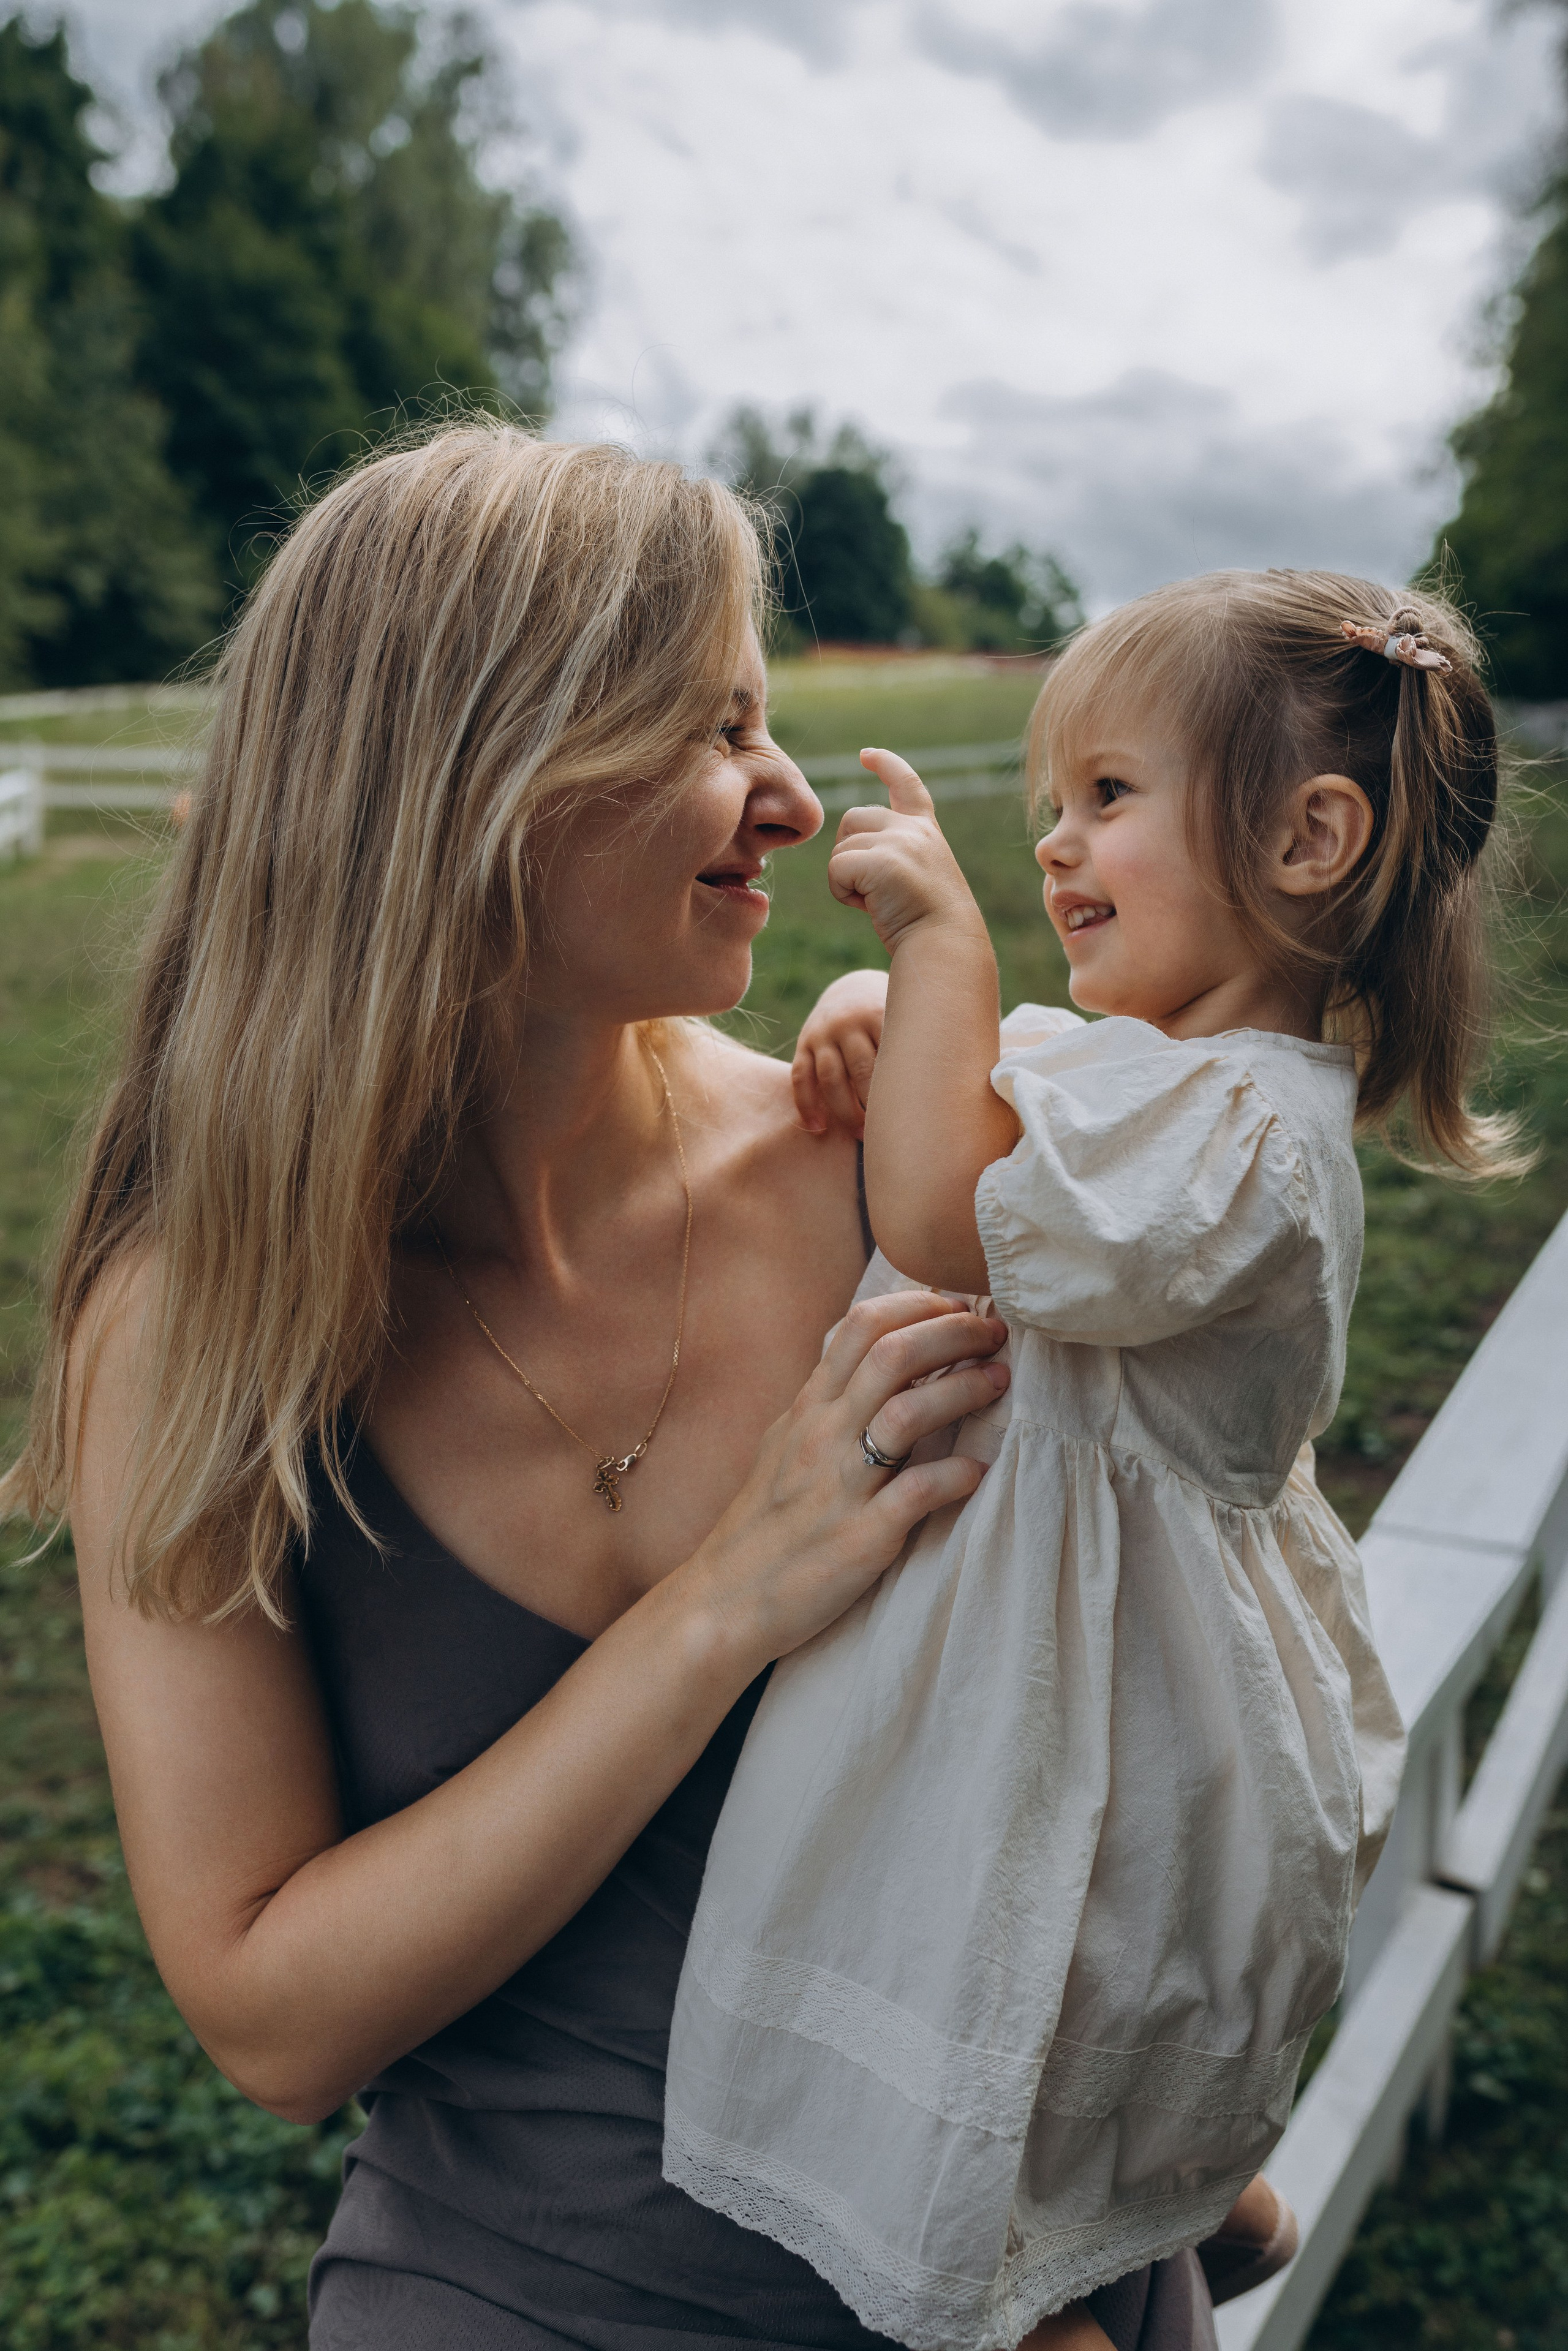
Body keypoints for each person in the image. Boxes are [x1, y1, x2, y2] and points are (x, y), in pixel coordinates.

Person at [0, 426, 1211, 2351]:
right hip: (535, 2301)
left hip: (1034, 2295)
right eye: (718, 730)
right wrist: (731, 1603)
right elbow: (270, 2015)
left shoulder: (878, 1170)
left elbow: (1203, 1595)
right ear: (471, 778)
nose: (797, 803)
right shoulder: (194, 1320)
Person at [662, 575, 1519, 2345]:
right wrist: (860, 1003)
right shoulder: (1136, 1072)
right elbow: (982, 1090)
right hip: (1021, 1652)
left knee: (1013, 2036)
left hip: (1099, 1721)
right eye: (1054, 805)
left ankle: (1063, 2298)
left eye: (1108, 799)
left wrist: (939, 953)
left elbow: (948, 1205)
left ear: (1306, 837)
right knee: (1033, 2067)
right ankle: (1199, 2209)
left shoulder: (1251, 1146)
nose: (1058, 845)